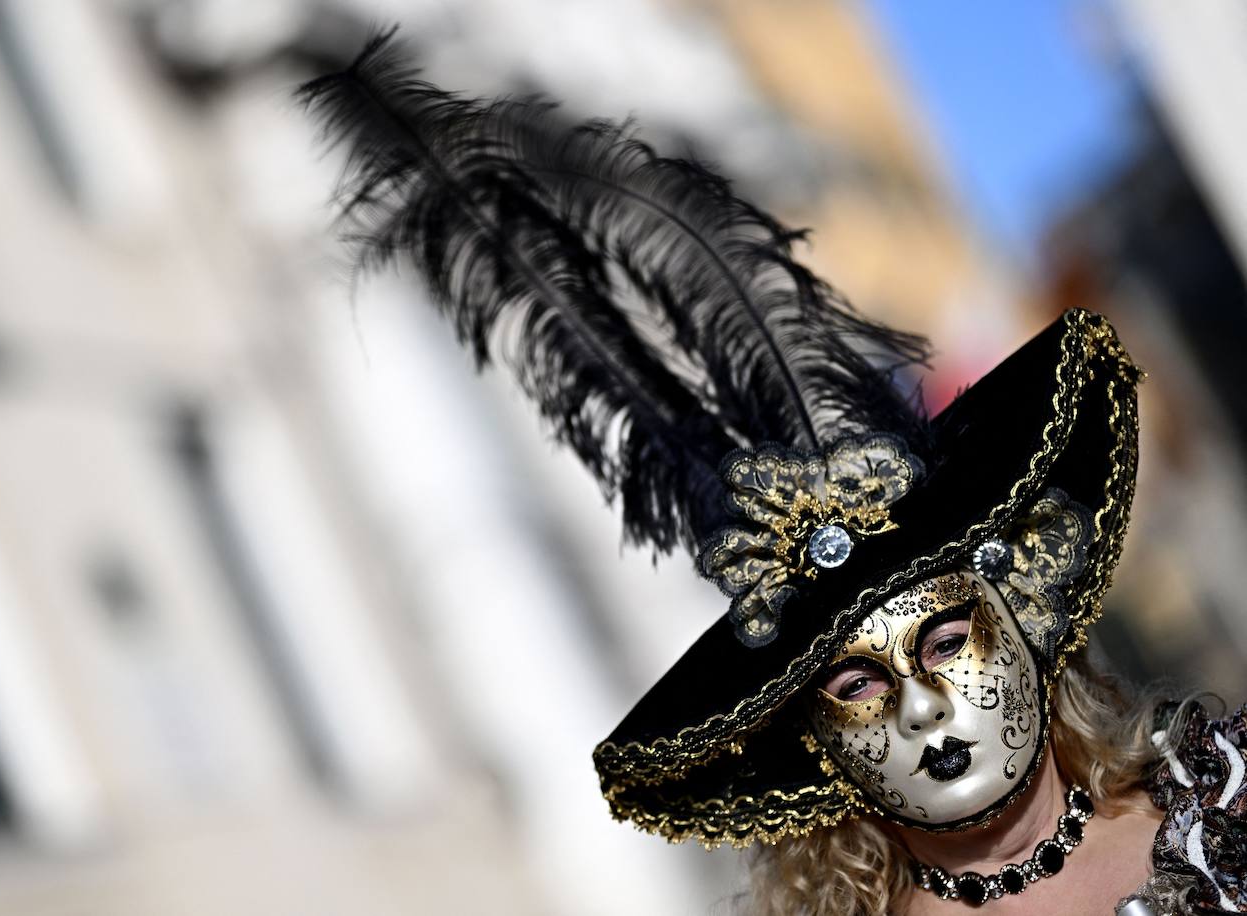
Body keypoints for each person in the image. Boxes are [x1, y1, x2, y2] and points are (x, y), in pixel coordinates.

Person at [299, 30, 1247, 915]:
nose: (921, 709)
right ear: (815, 742)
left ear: (1020, 611)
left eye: (946, 636)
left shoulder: (1225, 807)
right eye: (855, 689)